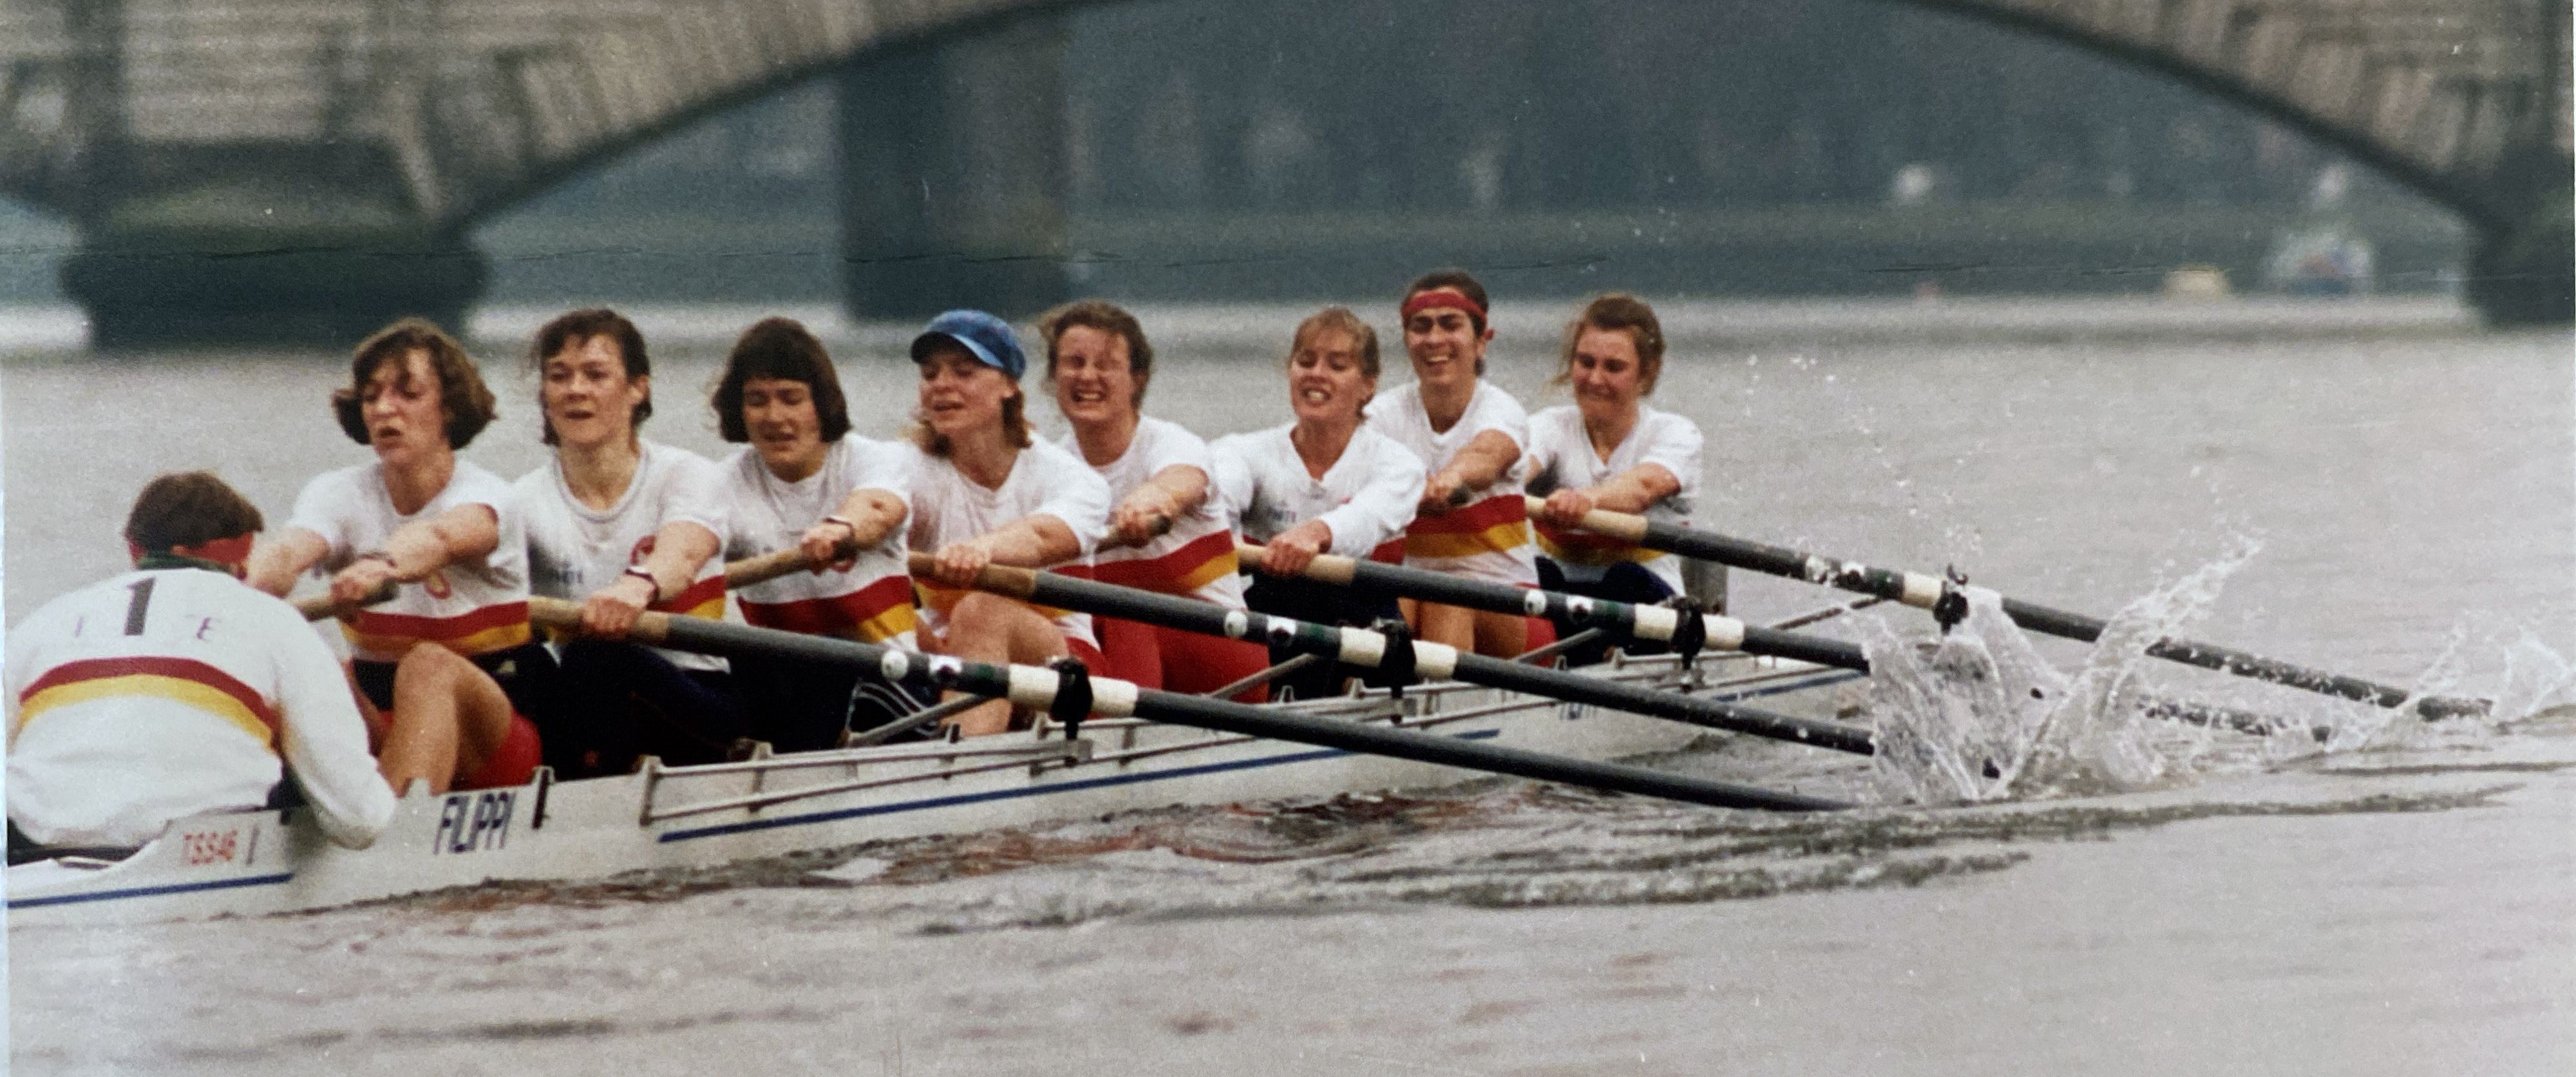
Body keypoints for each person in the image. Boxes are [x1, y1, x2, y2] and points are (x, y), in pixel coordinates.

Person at [9, 473, 395, 855]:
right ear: (241, 558)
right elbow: (360, 822)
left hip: (32, 841)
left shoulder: (42, 621)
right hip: (192, 848)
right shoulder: (274, 620)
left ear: (133, 549)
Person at [244, 318, 549, 796]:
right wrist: (238, 588)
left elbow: (439, 539)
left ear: (448, 408)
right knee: (297, 661)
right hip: (385, 727)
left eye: (408, 394)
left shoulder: (488, 495)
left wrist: (381, 566)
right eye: (371, 396)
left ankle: (389, 828)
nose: (385, 408)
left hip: (497, 740)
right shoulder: (339, 493)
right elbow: (288, 552)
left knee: (428, 664)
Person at [517, 308, 743, 774]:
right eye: (560, 376)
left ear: (639, 387)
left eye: (596, 375)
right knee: (520, 664)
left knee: (596, 659)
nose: (576, 389)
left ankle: (579, 804)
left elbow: (681, 553)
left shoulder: (688, 474)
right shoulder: (520, 502)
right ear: (545, 394)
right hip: (588, 701)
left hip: (694, 697)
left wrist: (636, 586)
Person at [1043, 300, 1269, 700]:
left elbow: (1180, 482)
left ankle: (1117, 743)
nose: (1087, 377)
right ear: (1053, 376)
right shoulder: (1049, 468)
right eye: (1074, 363)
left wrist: (1151, 504)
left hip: (1225, 658)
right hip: (1115, 655)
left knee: (1127, 611)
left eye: (1106, 364)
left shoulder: (1172, 444)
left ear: (1136, 379)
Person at [712, 316, 919, 750]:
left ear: (821, 403)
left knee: (820, 660)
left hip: (889, 688)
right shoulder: (721, 486)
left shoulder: (876, 460)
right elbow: (685, 546)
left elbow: (878, 508)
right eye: (757, 401)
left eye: (791, 399)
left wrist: (841, 528)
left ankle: (775, 776)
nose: (774, 417)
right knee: (744, 656)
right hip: (791, 691)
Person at [904, 309, 1113, 737]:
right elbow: (877, 514)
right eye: (930, 374)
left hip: (1062, 663)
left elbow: (1043, 536)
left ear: (1009, 386)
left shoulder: (1069, 477)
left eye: (964, 372)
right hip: (946, 659)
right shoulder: (907, 468)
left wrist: (982, 551)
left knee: (981, 609)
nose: (942, 385)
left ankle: (962, 769)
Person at [1217, 307, 1426, 700]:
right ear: (1290, 372)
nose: (1316, 374)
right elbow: (1219, 496)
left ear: (1368, 386)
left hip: (1366, 613)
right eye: (1305, 361)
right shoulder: (1245, 452)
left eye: (1337, 365)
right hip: (1275, 608)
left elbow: (1366, 517)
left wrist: (1317, 533)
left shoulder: (1399, 465)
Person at [1363, 270, 1555, 658]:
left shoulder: (1502, 410)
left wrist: (1450, 479)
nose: (1434, 339)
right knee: (1373, 607)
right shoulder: (1381, 416)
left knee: (1446, 597)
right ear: (1407, 341)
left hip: (1512, 610)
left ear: (1482, 342)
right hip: (1414, 604)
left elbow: (1486, 456)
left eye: (1450, 325)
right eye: (1421, 327)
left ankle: (1442, 705)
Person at [1526, 294, 1705, 667]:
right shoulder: (1548, 427)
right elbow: (1516, 467)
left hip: (1648, 612)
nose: (1595, 379)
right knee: (1536, 577)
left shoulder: (1674, 434)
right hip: (1565, 610)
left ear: (1648, 372)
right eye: (1585, 363)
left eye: (1614, 367)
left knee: (1624, 578)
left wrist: (1586, 501)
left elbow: (1642, 488)